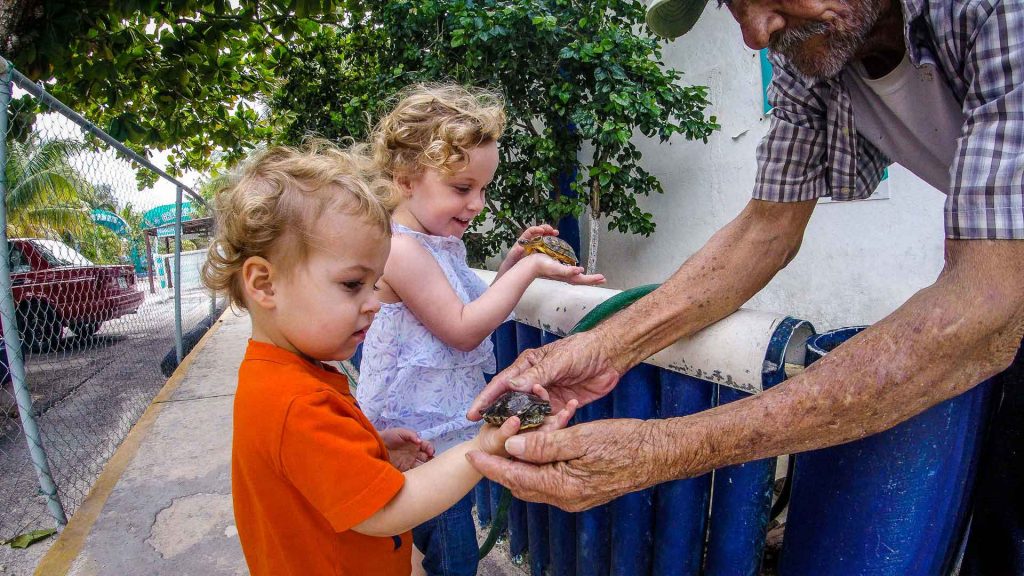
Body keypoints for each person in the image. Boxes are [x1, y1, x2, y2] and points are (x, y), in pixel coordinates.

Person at [466, 0, 1023, 569]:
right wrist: (602, 347)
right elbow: (767, 229)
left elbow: (985, 307)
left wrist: (661, 449)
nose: (757, 34)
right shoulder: (814, 49)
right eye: (735, 8)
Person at [199, 140, 577, 576]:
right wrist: (482, 445)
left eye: (375, 284)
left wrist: (372, 451)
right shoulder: (298, 403)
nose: (375, 303)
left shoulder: (277, 377)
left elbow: (305, 469)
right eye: (352, 285)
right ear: (265, 284)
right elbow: (388, 511)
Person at [354, 83, 605, 576]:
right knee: (454, 555)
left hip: (443, 434)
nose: (477, 204)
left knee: (446, 545)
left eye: (483, 189)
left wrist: (515, 257)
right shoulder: (401, 250)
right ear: (405, 179)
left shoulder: (437, 243)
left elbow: (468, 297)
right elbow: (463, 328)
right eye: (462, 188)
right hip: (421, 445)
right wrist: (528, 273)